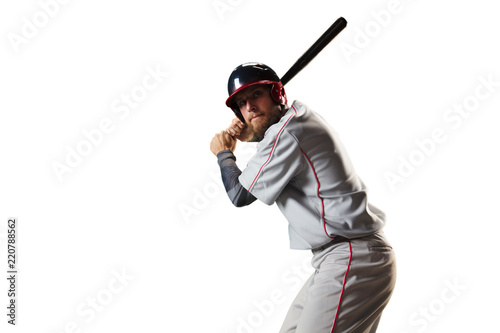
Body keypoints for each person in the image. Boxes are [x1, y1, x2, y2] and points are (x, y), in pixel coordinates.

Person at [210, 62, 396, 333]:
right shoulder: (295, 120)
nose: (248, 107)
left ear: (277, 94)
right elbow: (272, 145)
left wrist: (224, 153)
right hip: (339, 258)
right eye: (241, 103)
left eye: (256, 95)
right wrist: (254, 135)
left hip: (353, 257)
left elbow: (239, 195)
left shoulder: (288, 132)